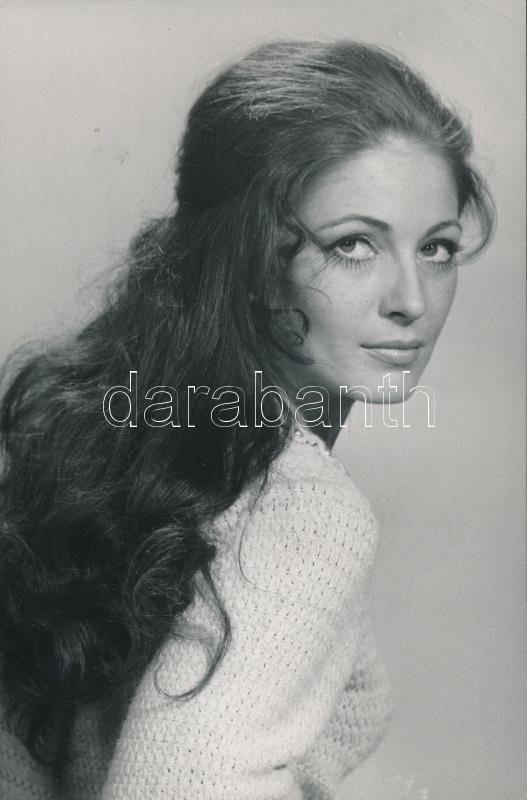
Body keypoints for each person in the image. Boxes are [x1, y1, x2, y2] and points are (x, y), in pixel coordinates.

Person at [0, 39, 494, 800]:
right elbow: (182, 782)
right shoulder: (301, 510)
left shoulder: (131, 433)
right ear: (252, 261)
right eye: (353, 245)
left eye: (436, 248)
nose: (412, 300)